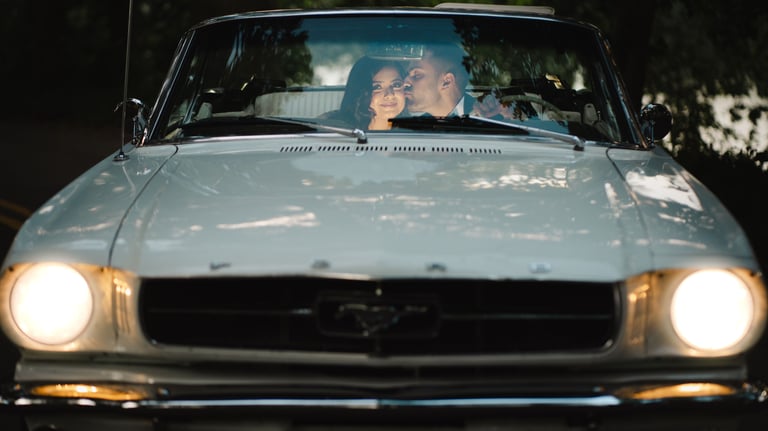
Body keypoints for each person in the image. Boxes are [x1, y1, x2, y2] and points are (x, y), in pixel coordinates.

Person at [328, 57, 406, 130]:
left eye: (396, 85)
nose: (390, 95)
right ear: (360, 93)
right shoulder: (334, 130)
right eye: (377, 87)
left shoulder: (410, 133)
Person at [402, 44, 473, 117]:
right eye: (406, 75)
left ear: (447, 82)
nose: (404, 83)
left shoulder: (479, 115)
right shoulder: (411, 121)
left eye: (417, 76)